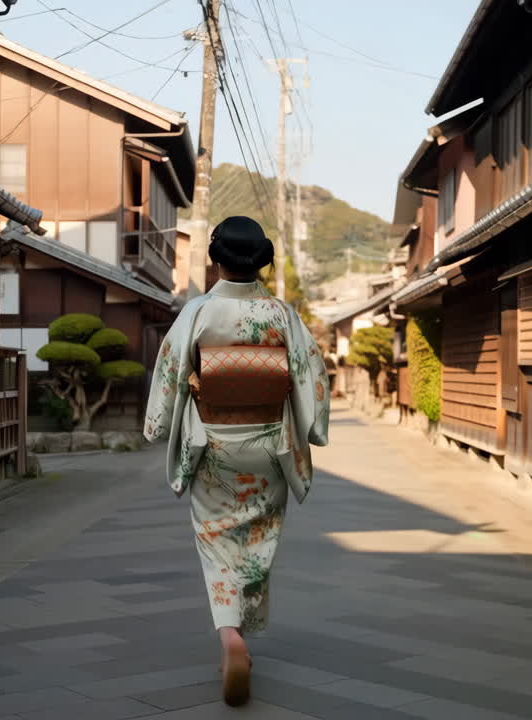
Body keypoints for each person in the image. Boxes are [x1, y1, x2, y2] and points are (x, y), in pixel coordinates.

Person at [144, 216, 330, 707]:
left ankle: (230, 635)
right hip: (269, 442)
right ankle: (242, 633)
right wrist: (313, 427)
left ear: (215, 258)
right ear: (262, 261)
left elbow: (170, 369)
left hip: (213, 443)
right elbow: (310, 373)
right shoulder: (281, 314)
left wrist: (157, 425)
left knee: (215, 538)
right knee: (258, 534)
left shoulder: (198, 311)